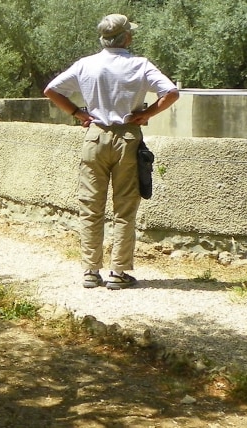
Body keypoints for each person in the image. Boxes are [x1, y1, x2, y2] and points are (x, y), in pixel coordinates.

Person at [44, 14, 179, 290]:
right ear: (126, 37)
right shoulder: (140, 65)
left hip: (94, 137)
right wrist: (148, 113)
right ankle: (118, 272)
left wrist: (78, 113)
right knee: (125, 207)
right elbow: (171, 92)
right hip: (127, 136)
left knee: (91, 206)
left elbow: (51, 90)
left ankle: (91, 271)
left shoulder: (86, 65)